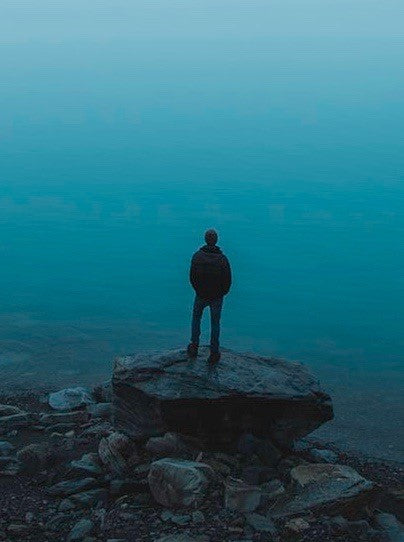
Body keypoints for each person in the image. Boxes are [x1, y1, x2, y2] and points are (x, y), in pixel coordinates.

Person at [187, 229, 232, 363]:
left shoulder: (197, 257)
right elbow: (228, 281)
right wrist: (221, 293)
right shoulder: (222, 260)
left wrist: (198, 290)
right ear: (216, 241)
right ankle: (214, 352)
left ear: (205, 240)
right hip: (217, 297)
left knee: (196, 319)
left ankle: (194, 346)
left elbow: (192, 278)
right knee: (215, 323)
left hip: (200, 295)